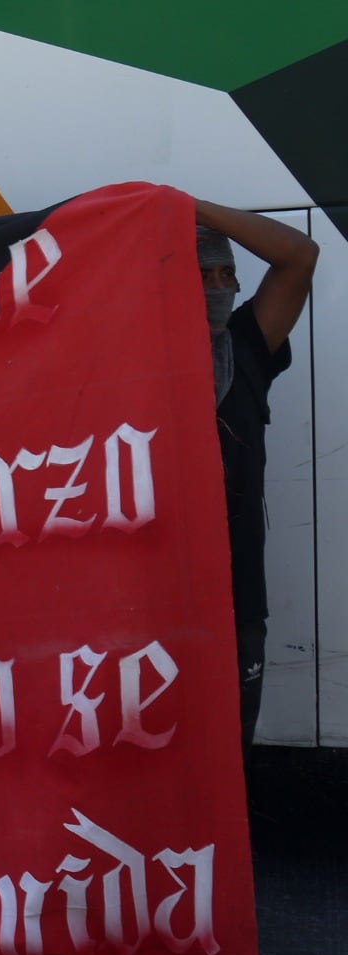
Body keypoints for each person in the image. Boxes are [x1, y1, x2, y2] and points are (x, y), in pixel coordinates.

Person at [194, 200, 318, 761]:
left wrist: (192, 208)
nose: (220, 287)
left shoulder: (245, 345)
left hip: (237, 594)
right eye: (203, 275)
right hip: (152, 595)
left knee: (230, 751)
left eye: (228, 274)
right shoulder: (130, 360)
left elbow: (298, 255)